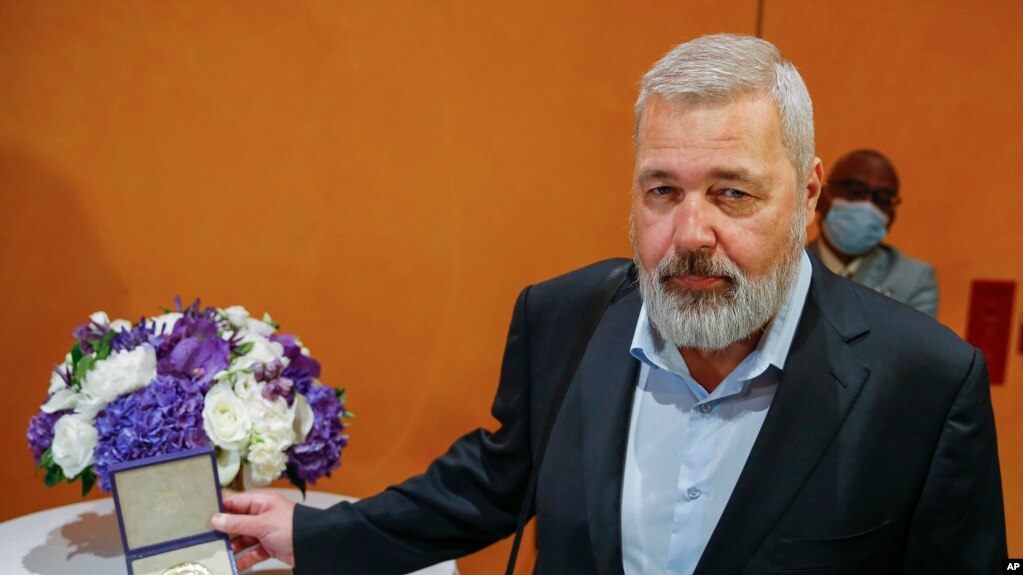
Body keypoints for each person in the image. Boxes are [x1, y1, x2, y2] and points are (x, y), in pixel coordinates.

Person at [211, 34, 1005, 574]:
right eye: (662, 190)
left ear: (805, 197)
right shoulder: (563, 319)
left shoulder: (924, 385)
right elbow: (490, 483)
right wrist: (313, 533)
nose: (690, 232)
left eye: (731, 192)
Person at [808, 150, 939, 317]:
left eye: (882, 199)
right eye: (855, 192)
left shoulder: (913, 279)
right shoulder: (788, 265)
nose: (866, 205)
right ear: (819, 196)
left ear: (891, 217)